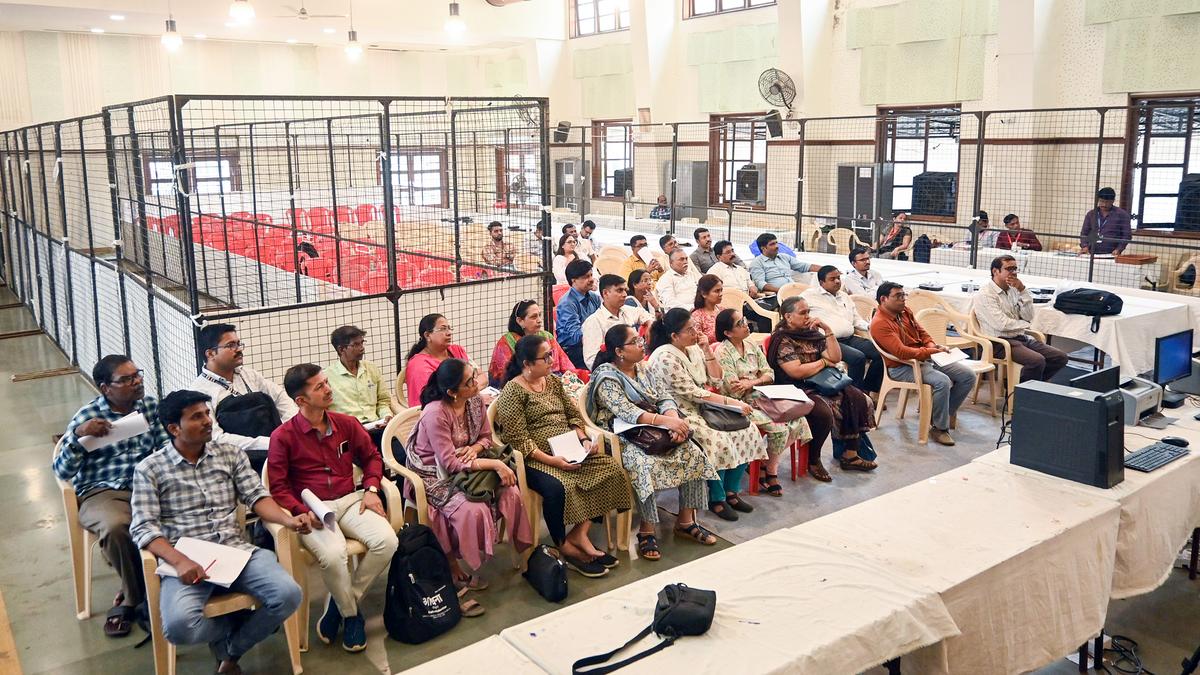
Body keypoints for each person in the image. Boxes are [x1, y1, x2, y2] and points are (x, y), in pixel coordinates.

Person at [130, 390, 304, 675]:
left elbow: (256, 496)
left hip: (235, 551)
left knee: (288, 595)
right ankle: (234, 629)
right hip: (188, 560)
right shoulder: (150, 469)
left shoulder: (230, 453)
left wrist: (288, 520)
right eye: (197, 417)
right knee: (178, 627)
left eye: (207, 414)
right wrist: (179, 561)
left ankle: (230, 650)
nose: (208, 421)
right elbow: (143, 527)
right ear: (174, 428)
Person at [267, 363, 398, 652]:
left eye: (327, 383)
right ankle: (352, 616)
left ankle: (341, 606)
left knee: (387, 541)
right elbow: (277, 486)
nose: (329, 389)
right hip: (313, 510)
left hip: (351, 499)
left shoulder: (346, 423)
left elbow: (372, 458)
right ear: (301, 400)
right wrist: (298, 509)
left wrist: (372, 489)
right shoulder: (283, 437)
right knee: (333, 553)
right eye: (320, 387)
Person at [493, 335, 632, 577]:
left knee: (610, 470)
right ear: (527, 364)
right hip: (535, 458)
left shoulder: (552, 382)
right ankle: (563, 545)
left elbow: (573, 414)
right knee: (558, 487)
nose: (551, 359)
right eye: (545, 357)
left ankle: (579, 532)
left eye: (550, 354)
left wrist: (583, 439)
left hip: (568, 448)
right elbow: (518, 440)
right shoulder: (512, 393)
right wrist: (552, 461)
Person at [52, 355, 170, 638]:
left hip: (147, 485)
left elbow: (166, 447)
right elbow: (61, 470)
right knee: (118, 527)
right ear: (106, 388)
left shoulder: (151, 407)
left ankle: (179, 586)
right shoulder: (86, 417)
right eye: (127, 379)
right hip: (103, 492)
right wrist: (78, 438)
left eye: (137, 375)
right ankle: (136, 599)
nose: (137, 381)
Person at [586, 324, 718, 561]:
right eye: (635, 342)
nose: (642, 345)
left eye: (640, 340)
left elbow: (664, 396)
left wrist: (675, 420)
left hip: (656, 427)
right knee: (643, 465)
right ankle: (646, 530)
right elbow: (626, 412)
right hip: (624, 436)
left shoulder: (643, 368)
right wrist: (666, 422)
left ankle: (686, 521)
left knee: (693, 451)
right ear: (619, 351)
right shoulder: (606, 376)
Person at [406, 359, 533, 605]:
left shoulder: (475, 401)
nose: (477, 384)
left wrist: (475, 449)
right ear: (452, 392)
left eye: (474, 377)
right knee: (471, 508)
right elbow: (450, 463)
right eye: (470, 382)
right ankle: (452, 563)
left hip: (471, 466)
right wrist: (495, 464)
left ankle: (525, 553)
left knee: (511, 491)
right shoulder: (435, 413)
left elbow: (486, 437)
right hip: (434, 474)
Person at [646, 308, 765, 522]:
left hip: (703, 407)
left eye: (695, 327)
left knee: (747, 429)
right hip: (680, 412)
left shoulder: (693, 349)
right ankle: (717, 498)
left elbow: (716, 381)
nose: (696, 332)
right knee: (719, 440)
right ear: (674, 336)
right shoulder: (664, 356)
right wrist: (732, 403)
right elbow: (694, 393)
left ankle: (732, 492)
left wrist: (707, 351)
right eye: (690, 329)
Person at [765, 297, 879, 481]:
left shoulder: (813, 334)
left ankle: (850, 454)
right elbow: (796, 371)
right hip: (796, 388)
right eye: (802, 313)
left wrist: (827, 330)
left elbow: (835, 356)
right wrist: (824, 362)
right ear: (788, 316)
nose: (807, 316)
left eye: (808, 311)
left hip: (820, 382)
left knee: (858, 398)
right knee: (823, 413)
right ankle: (813, 459)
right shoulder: (783, 339)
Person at [713, 309, 812, 497]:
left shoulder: (750, 344)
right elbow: (734, 388)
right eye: (740, 323)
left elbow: (769, 373)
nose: (746, 325)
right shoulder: (723, 352)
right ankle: (770, 473)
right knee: (779, 427)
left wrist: (752, 381)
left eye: (744, 320)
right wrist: (757, 380)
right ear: (728, 332)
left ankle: (765, 465)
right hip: (739, 404)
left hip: (763, 397)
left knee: (799, 420)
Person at [870, 282, 975, 446]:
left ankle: (940, 415)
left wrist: (932, 345)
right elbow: (902, 353)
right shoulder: (880, 323)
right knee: (942, 381)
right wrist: (932, 352)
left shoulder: (905, 311)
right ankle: (940, 428)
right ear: (883, 299)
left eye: (904, 295)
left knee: (968, 376)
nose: (903, 299)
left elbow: (922, 332)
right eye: (898, 296)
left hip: (924, 357)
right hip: (902, 366)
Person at [190, 323, 298, 470]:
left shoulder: (249, 375)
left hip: (278, 454)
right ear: (210, 354)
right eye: (231, 345)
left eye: (239, 344)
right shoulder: (199, 391)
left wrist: (291, 429)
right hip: (235, 464)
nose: (239, 349)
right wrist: (268, 443)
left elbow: (280, 397)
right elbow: (216, 439)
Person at [972, 255, 1068, 383]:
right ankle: (1021, 395)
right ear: (995, 271)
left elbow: (1029, 316)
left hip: (1020, 338)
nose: (1014, 272)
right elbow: (1002, 325)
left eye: (1015, 268)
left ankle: (1021, 386)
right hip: (999, 342)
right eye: (1009, 269)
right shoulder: (985, 295)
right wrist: (1025, 324)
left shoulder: (1014, 289)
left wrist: (1022, 290)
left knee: (1060, 357)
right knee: (1037, 361)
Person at [801, 266, 883, 395]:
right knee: (858, 357)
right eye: (832, 279)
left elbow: (856, 320)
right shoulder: (809, 296)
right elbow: (795, 310)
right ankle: (855, 395)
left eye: (838, 278)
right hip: (827, 340)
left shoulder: (844, 296)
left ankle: (867, 390)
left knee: (880, 352)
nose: (837, 281)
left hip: (850, 338)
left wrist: (870, 326)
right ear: (822, 282)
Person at [489, 300, 585, 396]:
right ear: (520, 321)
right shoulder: (506, 342)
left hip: (554, 382)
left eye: (539, 315)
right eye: (534, 317)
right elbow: (506, 375)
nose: (539, 320)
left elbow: (567, 366)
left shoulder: (547, 337)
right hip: (526, 387)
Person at [326, 325, 393, 446]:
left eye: (362, 343)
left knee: (404, 454)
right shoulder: (327, 377)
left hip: (377, 427)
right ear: (341, 349)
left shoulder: (371, 368)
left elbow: (383, 400)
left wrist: (386, 416)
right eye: (356, 345)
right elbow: (325, 412)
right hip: (349, 434)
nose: (362, 348)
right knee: (373, 462)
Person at [405, 314, 485, 409]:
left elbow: (482, 377)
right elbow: (434, 399)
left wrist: (469, 393)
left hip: (464, 406)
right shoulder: (419, 365)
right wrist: (470, 394)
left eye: (449, 328)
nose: (449, 333)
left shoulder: (458, 350)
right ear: (427, 335)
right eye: (443, 329)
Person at [582, 274, 655, 369]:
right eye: (619, 290)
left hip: (636, 366)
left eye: (625, 290)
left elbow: (644, 314)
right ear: (605, 293)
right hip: (614, 372)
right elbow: (592, 360)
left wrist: (649, 324)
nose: (625, 294)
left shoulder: (626, 310)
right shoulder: (594, 322)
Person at [555, 259, 603, 369]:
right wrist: (597, 336)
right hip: (573, 350)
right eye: (586, 277)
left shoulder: (594, 297)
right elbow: (575, 335)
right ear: (574, 280)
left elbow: (603, 320)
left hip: (592, 343)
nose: (591, 280)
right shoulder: (567, 303)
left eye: (591, 275)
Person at [749, 232, 820, 294]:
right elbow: (760, 284)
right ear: (763, 248)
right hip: (778, 294)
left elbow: (805, 266)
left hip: (794, 289)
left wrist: (826, 269)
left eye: (776, 243)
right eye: (772, 244)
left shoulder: (784, 257)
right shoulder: (757, 263)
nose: (777, 246)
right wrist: (782, 290)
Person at [1080, 187, 1131, 255]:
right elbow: (1084, 233)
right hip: (1090, 253)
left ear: (1113, 201)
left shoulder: (1122, 215)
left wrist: (1119, 249)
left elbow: (1126, 236)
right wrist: (1084, 246)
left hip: (1111, 254)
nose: (1104, 204)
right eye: (1101, 201)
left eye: (1107, 202)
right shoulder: (1091, 214)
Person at [691, 274, 724, 344]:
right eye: (717, 291)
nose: (721, 294)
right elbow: (697, 344)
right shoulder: (697, 317)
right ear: (704, 294)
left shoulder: (723, 311)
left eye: (721, 290)